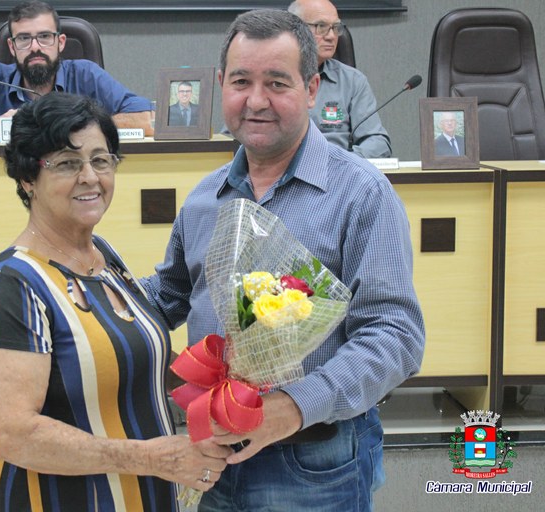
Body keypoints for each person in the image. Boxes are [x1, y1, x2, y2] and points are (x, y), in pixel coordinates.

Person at [142, 9, 424, 512]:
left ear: (311, 89)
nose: (256, 101)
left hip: (313, 459)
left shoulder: (362, 194)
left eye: (276, 83)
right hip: (211, 452)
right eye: (241, 82)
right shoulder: (205, 197)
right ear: (221, 87)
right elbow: (168, 296)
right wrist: (86, 294)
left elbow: (395, 335)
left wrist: (293, 406)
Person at [0, 93, 230, 511]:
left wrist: (223, 387)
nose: (90, 177)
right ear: (28, 178)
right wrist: (151, 458)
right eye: (67, 163)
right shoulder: (8, 287)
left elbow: (125, 358)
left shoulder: (103, 257)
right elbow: (12, 434)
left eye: (101, 160)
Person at [0, 1, 153, 139]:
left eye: (44, 37)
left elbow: (146, 119)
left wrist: (76, 126)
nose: (35, 47)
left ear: (61, 42)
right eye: (24, 38)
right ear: (12, 47)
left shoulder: (87, 75)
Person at [288, 0, 392, 159]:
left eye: (336, 27)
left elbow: (378, 144)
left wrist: (340, 162)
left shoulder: (352, 81)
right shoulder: (271, 79)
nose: (331, 36)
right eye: (321, 26)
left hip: (340, 170)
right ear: (294, 30)